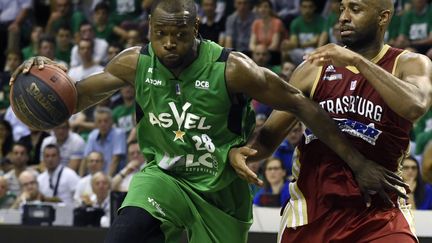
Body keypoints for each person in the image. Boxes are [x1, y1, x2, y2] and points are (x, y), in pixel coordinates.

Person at [11, 0, 409, 242]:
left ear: (196, 30)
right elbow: (73, 98)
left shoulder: (234, 69)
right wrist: (40, 77)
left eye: (179, 35)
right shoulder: (134, 61)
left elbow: (301, 105)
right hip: (165, 177)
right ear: (148, 30)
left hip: (221, 187)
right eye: (160, 34)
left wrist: (357, 163)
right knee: (125, 233)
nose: (169, 44)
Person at [230, 0, 432, 242]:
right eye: (342, 8)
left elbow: (415, 105)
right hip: (312, 214)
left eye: (355, 9)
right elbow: (268, 138)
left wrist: (357, 61)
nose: (344, 17)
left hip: (380, 216)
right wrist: (239, 153)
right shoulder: (313, 68)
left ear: (383, 17)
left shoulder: (409, 63)